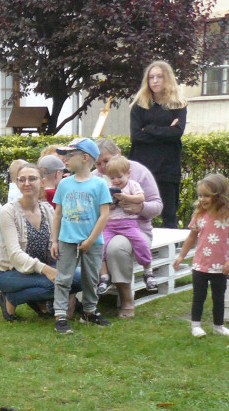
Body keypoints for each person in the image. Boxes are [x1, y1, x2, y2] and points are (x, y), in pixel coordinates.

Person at [0, 163, 79, 321]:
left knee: (81, 277)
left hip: (42, 270)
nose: (27, 183)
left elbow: (59, 241)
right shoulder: (8, 211)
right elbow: (14, 254)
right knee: (53, 285)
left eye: (32, 179)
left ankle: (46, 303)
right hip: (11, 272)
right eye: (22, 180)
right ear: (17, 183)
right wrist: (47, 270)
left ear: (42, 182)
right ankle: (10, 298)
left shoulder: (47, 209)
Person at [93, 139, 163, 318]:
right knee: (95, 244)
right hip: (107, 227)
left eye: (106, 161)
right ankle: (93, 290)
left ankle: (126, 298)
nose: (102, 167)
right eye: (98, 163)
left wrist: (140, 208)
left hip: (136, 227)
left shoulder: (138, 171)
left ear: (118, 153)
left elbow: (157, 206)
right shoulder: (94, 177)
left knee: (117, 247)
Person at [51, 137, 112, 334]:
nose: (65, 159)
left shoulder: (99, 184)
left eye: (70, 155)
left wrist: (90, 240)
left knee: (91, 279)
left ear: (85, 157)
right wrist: (54, 240)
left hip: (93, 243)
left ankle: (89, 312)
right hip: (67, 240)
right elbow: (58, 214)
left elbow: (104, 215)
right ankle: (60, 315)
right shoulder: (64, 184)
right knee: (63, 278)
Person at [130, 61, 186, 230]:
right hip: (143, 166)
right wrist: (166, 130)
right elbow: (136, 136)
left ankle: (173, 246)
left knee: (169, 215)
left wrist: (148, 128)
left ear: (167, 78)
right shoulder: (139, 106)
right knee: (138, 213)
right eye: (151, 77)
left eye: (159, 77)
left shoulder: (178, 105)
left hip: (168, 167)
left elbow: (176, 133)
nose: (154, 81)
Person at [173, 174, 229, 338]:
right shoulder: (199, 216)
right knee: (199, 296)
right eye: (200, 195)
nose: (202, 199)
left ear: (219, 196)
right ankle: (195, 326)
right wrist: (181, 256)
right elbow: (191, 237)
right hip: (200, 265)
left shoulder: (226, 217)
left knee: (219, 297)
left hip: (220, 266)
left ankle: (218, 326)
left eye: (207, 196)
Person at [97, 156, 155, 295]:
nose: (116, 181)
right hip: (110, 225)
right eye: (112, 178)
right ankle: (104, 277)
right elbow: (102, 206)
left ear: (128, 173)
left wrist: (125, 197)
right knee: (100, 246)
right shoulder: (107, 187)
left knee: (141, 243)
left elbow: (141, 197)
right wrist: (110, 205)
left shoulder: (132, 185)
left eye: (119, 177)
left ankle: (148, 271)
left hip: (128, 224)